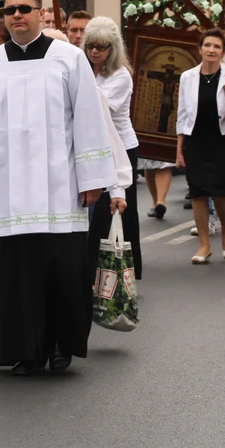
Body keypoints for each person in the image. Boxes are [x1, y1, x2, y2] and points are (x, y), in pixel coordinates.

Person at [0, 0, 118, 375]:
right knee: (14, 275)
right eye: (10, 11)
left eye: (24, 8)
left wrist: (93, 178)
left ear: (40, 12)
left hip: (59, 190)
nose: (17, 15)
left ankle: (59, 347)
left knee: (61, 273)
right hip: (6, 191)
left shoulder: (69, 59)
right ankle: (24, 350)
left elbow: (88, 119)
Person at [177, 29, 225, 264]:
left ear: (223, 52)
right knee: (198, 193)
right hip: (196, 141)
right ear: (199, 49)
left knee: (221, 192)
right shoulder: (187, 77)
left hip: (223, 140)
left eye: (216, 47)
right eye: (207, 45)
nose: (211, 50)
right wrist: (179, 150)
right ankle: (203, 244)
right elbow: (182, 115)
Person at [83, 16, 142, 278]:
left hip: (120, 147)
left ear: (113, 49)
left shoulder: (121, 76)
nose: (94, 51)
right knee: (96, 214)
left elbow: (99, 107)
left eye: (101, 47)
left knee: (117, 210)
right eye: (90, 46)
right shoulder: (85, 69)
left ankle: (122, 269)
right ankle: (95, 268)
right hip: (94, 146)